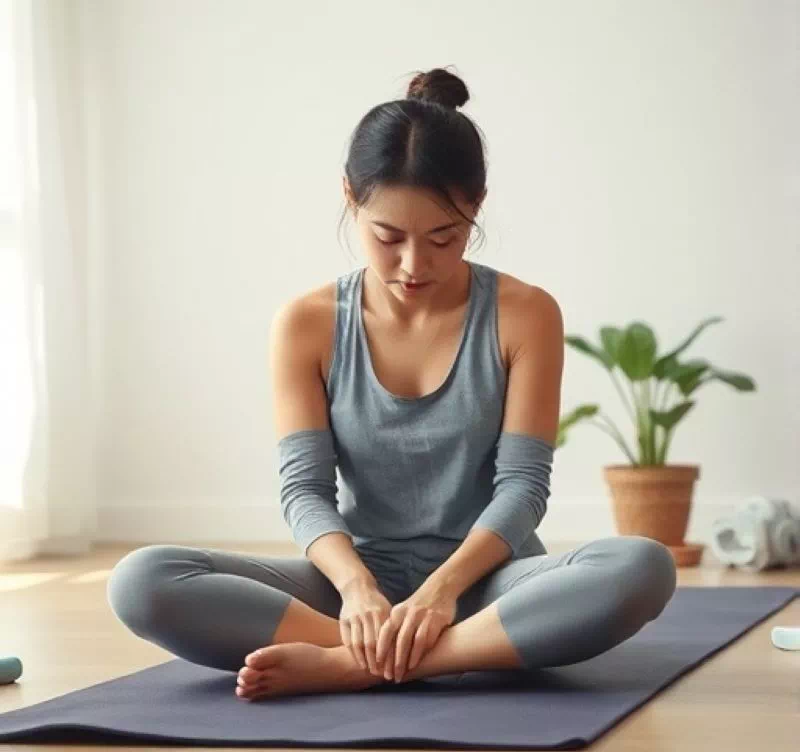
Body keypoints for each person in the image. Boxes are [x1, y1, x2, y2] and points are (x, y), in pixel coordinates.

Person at [107, 67, 677, 702]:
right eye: (387, 237)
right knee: (142, 580)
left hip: (489, 586)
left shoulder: (525, 312)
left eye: (444, 237)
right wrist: (356, 590)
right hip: (355, 591)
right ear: (350, 196)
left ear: (476, 208)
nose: (414, 265)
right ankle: (417, 650)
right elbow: (303, 490)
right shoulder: (307, 323)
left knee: (641, 567)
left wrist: (439, 593)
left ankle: (353, 666)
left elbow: (522, 488)